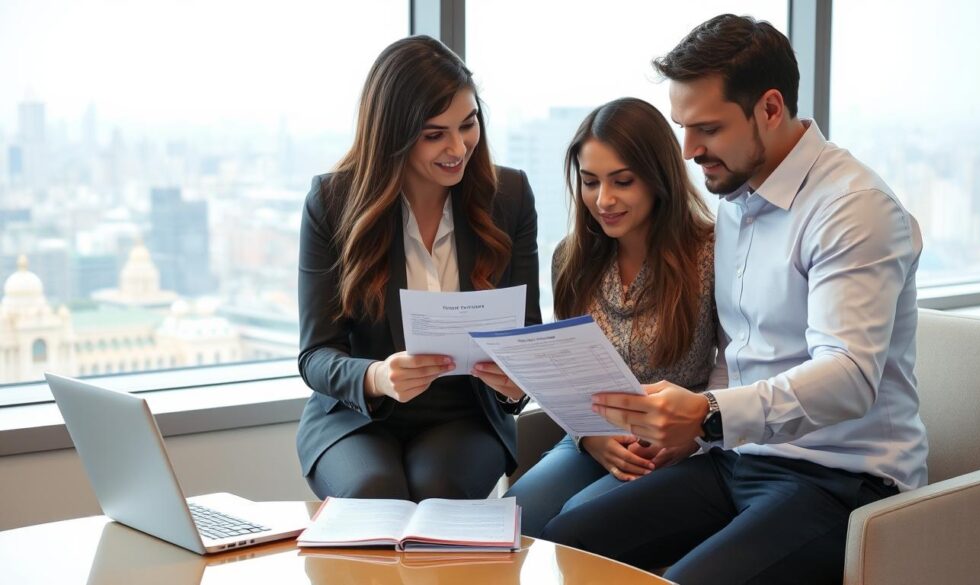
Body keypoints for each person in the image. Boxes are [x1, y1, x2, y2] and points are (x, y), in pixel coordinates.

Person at [541, 14, 928, 585]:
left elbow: (849, 377)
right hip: (738, 457)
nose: (689, 150)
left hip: (842, 478)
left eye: (707, 129)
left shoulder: (853, 208)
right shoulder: (736, 201)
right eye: (683, 127)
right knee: (566, 540)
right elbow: (739, 351)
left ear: (770, 109)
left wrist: (709, 414)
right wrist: (695, 429)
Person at [294, 35, 541, 503]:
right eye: (434, 134)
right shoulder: (331, 202)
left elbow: (526, 333)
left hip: (466, 412)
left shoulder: (508, 196)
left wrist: (516, 382)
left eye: (468, 124)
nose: (458, 147)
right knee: (374, 491)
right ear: (393, 135)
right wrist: (377, 376)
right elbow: (316, 355)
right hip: (356, 413)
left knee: (437, 492)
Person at [503, 97, 718, 536]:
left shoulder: (709, 253)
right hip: (592, 437)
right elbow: (566, 374)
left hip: (678, 445)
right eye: (590, 182)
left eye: (622, 181)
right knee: (509, 519)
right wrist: (590, 437)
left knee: (574, 522)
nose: (603, 200)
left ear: (658, 178)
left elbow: (738, 366)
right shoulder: (571, 259)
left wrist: (694, 434)